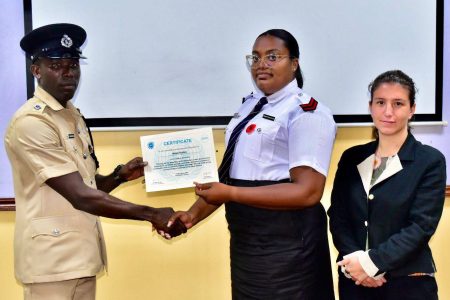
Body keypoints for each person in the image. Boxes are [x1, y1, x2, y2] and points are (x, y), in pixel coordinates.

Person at [4, 23, 185, 300]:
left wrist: (120, 175)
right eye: (56, 64)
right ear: (36, 71)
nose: (68, 72)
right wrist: (152, 214)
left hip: (81, 257)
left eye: (73, 64)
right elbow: (80, 196)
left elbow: (88, 184)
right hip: (51, 265)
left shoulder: (70, 115)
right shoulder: (32, 122)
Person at [163, 29, 336, 299]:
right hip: (247, 243)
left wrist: (230, 194)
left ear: (294, 63)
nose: (261, 65)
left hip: (289, 248)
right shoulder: (249, 106)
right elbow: (230, 178)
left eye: (272, 57)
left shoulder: (306, 113)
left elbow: (308, 192)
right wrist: (192, 216)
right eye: (255, 58)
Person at [327, 70, 446, 300]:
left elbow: (420, 226)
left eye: (398, 103)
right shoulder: (351, 157)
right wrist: (357, 263)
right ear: (370, 106)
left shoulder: (429, 161)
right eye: (381, 102)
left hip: (409, 284)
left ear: (412, 109)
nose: (388, 112)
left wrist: (371, 263)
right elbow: (338, 216)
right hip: (355, 282)